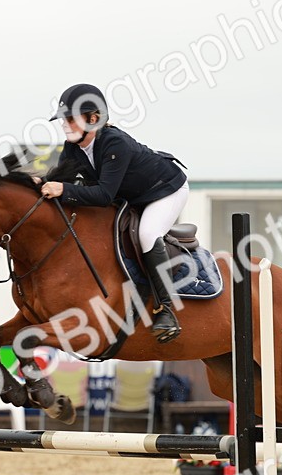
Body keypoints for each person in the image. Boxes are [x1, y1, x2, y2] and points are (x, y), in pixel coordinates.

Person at [41, 83, 189, 343]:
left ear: (93, 119)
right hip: (133, 196)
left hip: (165, 190)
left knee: (147, 233)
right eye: (63, 120)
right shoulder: (73, 147)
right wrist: (39, 182)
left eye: (70, 119)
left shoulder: (114, 143)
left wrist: (62, 188)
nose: (65, 125)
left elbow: (103, 195)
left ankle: (166, 309)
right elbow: (59, 179)